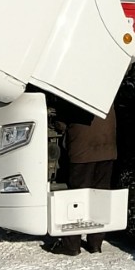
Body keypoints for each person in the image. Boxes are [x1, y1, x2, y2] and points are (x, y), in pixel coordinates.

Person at [43, 107, 119, 256]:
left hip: (83, 146)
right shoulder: (107, 87)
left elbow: (62, 123)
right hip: (107, 144)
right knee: (100, 194)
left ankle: (72, 244)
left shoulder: (78, 88)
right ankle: (95, 243)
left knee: (76, 196)